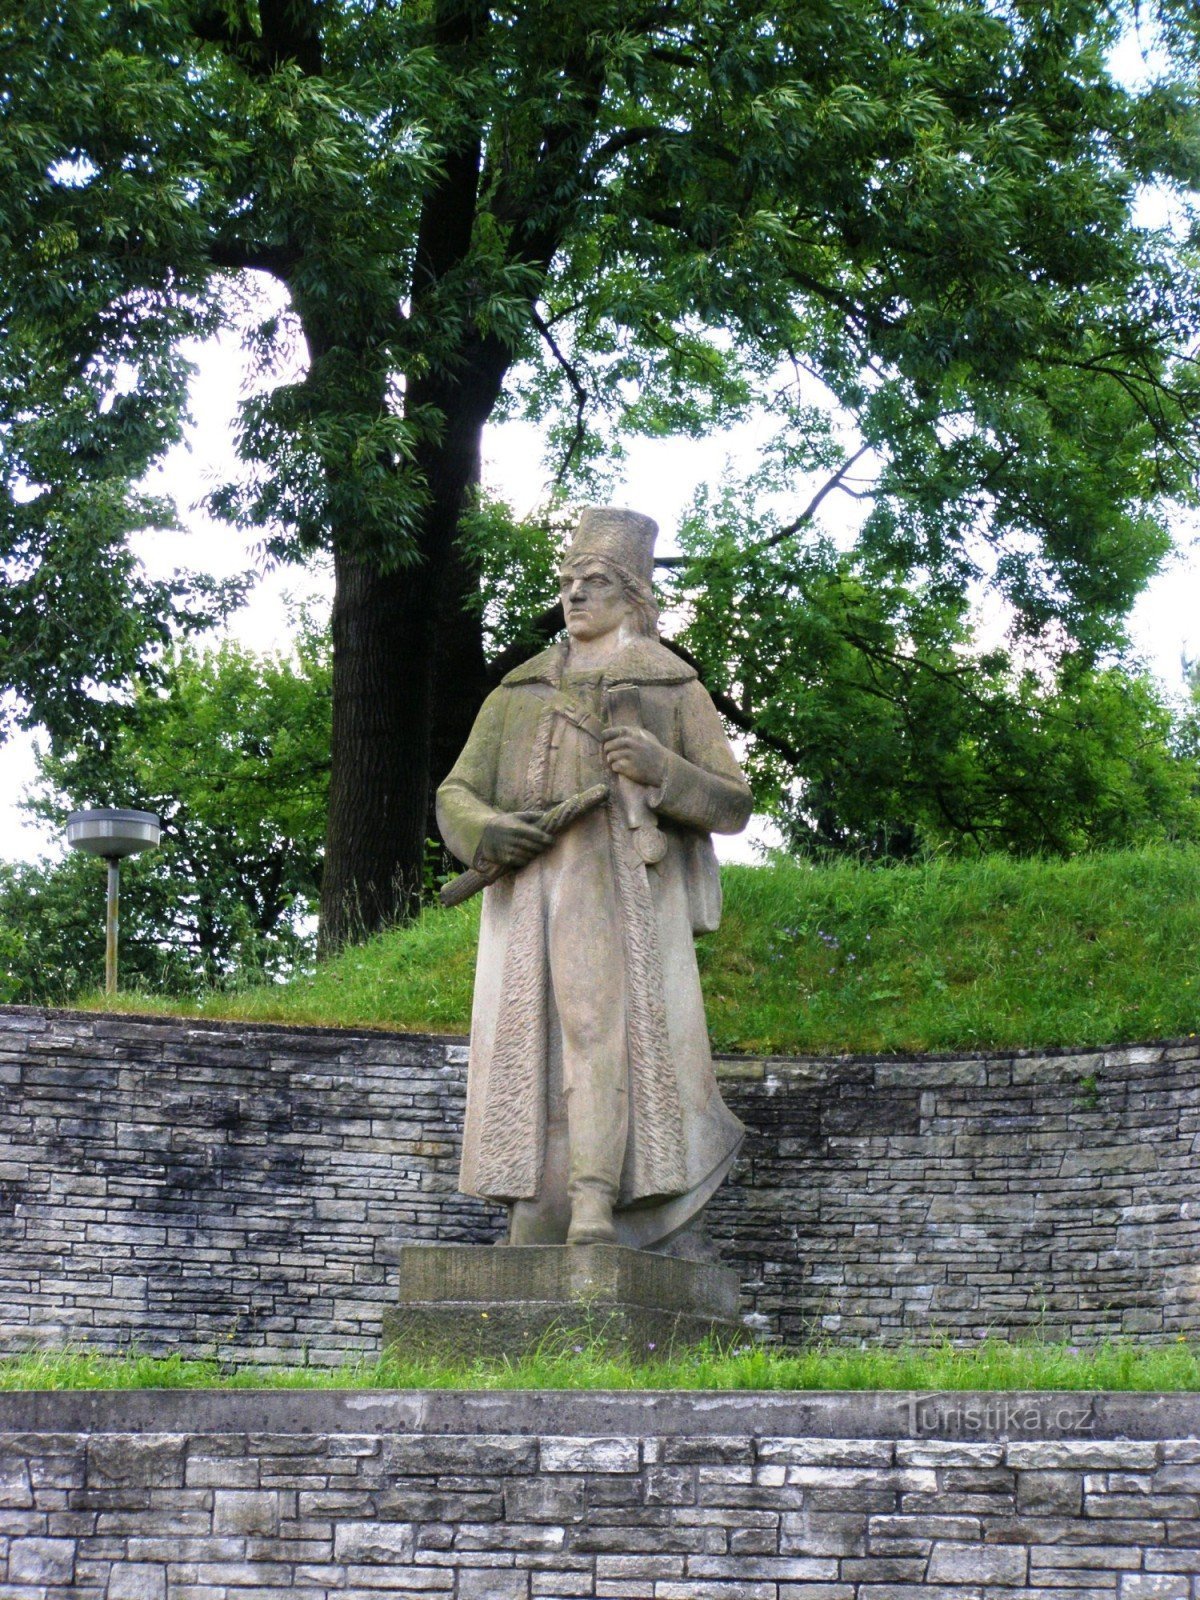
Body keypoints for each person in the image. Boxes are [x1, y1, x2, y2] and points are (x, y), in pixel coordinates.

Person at [437, 507, 752, 1249]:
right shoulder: (516, 692)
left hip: (618, 888)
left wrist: (664, 771)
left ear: (634, 595)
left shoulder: (672, 688)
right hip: (525, 896)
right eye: (568, 581)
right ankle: (534, 1208)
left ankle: (592, 1205)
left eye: (597, 581)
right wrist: (487, 829)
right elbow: (457, 791)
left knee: (596, 1030)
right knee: (525, 1043)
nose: (575, 595)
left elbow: (732, 802)